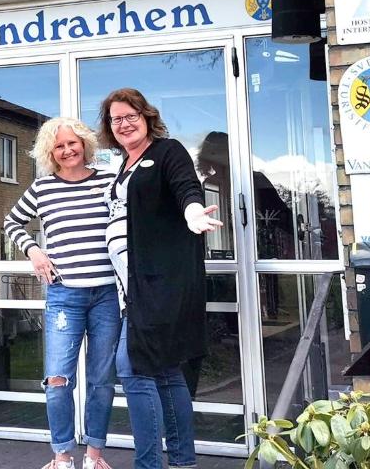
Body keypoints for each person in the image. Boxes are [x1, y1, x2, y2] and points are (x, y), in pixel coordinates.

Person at [97, 89, 222, 469]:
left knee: (131, 366)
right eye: (116, 119)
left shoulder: (167, 152)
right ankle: (183, 462)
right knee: (165, 371)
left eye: (130, 115)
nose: (124, 123)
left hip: (160, 281)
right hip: (132, 285)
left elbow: (186, 188)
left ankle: (148, 463)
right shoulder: (122, 165)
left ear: (146, 116)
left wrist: (193, 213)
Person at [3, 117, 120, 469]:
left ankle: (95, 455)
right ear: (49, 152)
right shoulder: (43, 188)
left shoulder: (108, 181)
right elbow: (11, 222)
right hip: (63, 295)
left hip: (107, 295)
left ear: (84, 144)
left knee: (101, 380)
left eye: (73, 143)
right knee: (57, 380)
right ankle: (63, 455)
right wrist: (34, 250)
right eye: (59, 146)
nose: (67, 150)